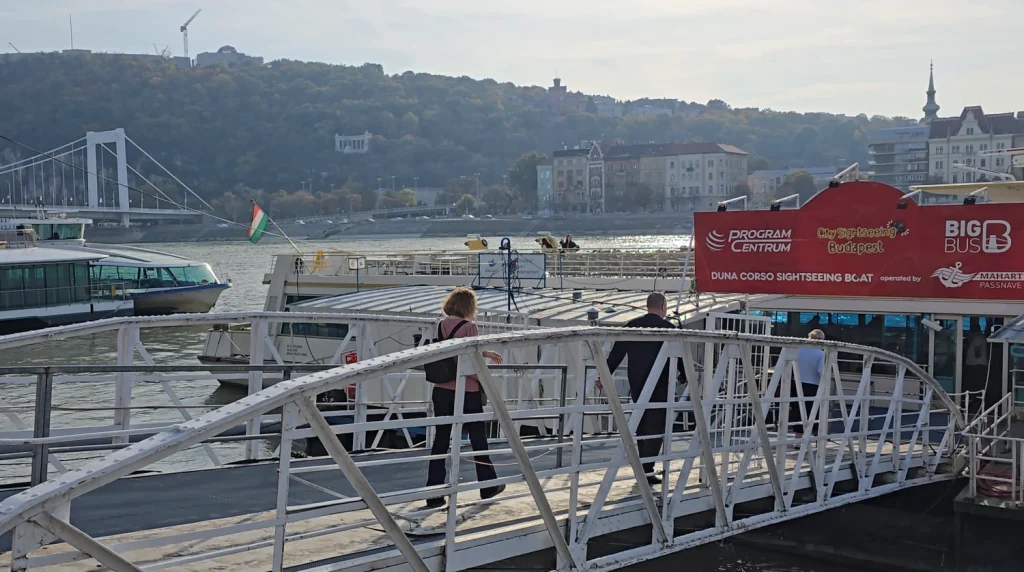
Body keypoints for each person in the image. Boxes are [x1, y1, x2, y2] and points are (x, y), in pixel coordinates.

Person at [424, 287, 505, 508]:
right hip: (465, 391)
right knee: (478, 438)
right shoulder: (470, 327)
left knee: (441, 439)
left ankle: (433, 493)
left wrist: (484, 352)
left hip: (441, 389)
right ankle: (487, 485)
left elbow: (451, 351)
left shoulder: (440, 325)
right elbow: (470, 361)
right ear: (469, 306)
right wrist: (483, 382)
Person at [603, 292, 677, 485]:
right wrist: (684, 376)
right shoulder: (669, 328)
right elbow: (680, 355)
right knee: (656, 426)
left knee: (642, 424)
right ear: (663, 306)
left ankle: (642, 465)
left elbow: (616, 354)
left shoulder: (631, 326)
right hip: (661, 385)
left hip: (637, 382)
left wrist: (604, 375)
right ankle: (647, 468)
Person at [792, 329, 826, 437]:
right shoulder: (820, 354)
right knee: (814, 411)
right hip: (813, 385)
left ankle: (798, 437)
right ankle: (817, 437)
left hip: (796, 383)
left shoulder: (798, 350)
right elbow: (822, 372)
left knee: (797, 411)